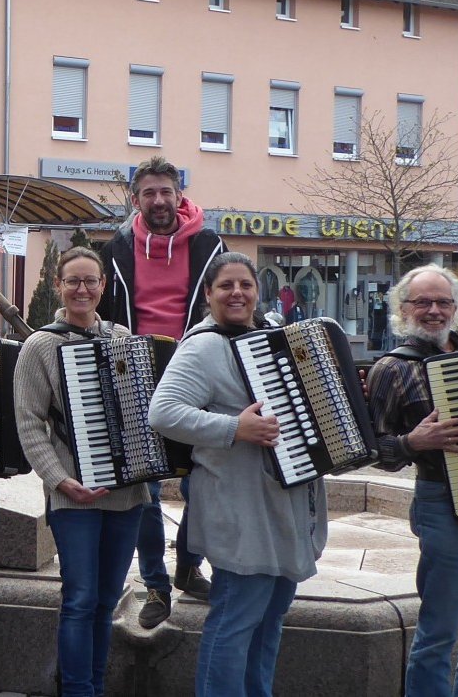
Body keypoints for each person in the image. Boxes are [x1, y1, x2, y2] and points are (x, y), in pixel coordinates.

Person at [150, 252, 326, 697]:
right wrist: (235, 428)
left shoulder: (270, 338)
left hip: (283, 504)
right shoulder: (203, 345)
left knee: (269, 622)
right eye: (226, 285)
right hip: (238, 505)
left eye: (245, 285)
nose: (237, 293)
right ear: (208, 294)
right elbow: (163, 413)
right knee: (235, 620)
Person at [364, 264, 458, 697]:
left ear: (456, 308)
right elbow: (372, 449)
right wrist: (413, 441)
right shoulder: (392, 368)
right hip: (441, 500)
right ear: (403, 309)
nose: (434, 310)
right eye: (423, 302)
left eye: (443, 302)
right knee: (438, 633)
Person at [14, 246, 150, 697]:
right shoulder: (40, 344)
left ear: (102, 287)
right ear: (58, 285)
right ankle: (76, 690)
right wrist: (59, 480)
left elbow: (139, 411)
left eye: (91, 281)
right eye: (73, 280)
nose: (82, 289)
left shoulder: (122, 337)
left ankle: (94, 684)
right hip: (72, 496)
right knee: (79, 600)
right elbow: (30, 423)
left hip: (125, 494)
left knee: (107, 600)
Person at [99, 155, 223, 627]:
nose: (158, 201)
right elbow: (106, 311)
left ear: (179, 195)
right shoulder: (117, 249)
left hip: (198, 374)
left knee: (204, 479)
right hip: (135, 375)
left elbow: (229, 298)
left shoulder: (210, 245)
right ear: (136, 200)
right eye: (148, 193)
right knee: (144, 489)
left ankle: (189, 565)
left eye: (165, 192)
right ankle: (155, 583)